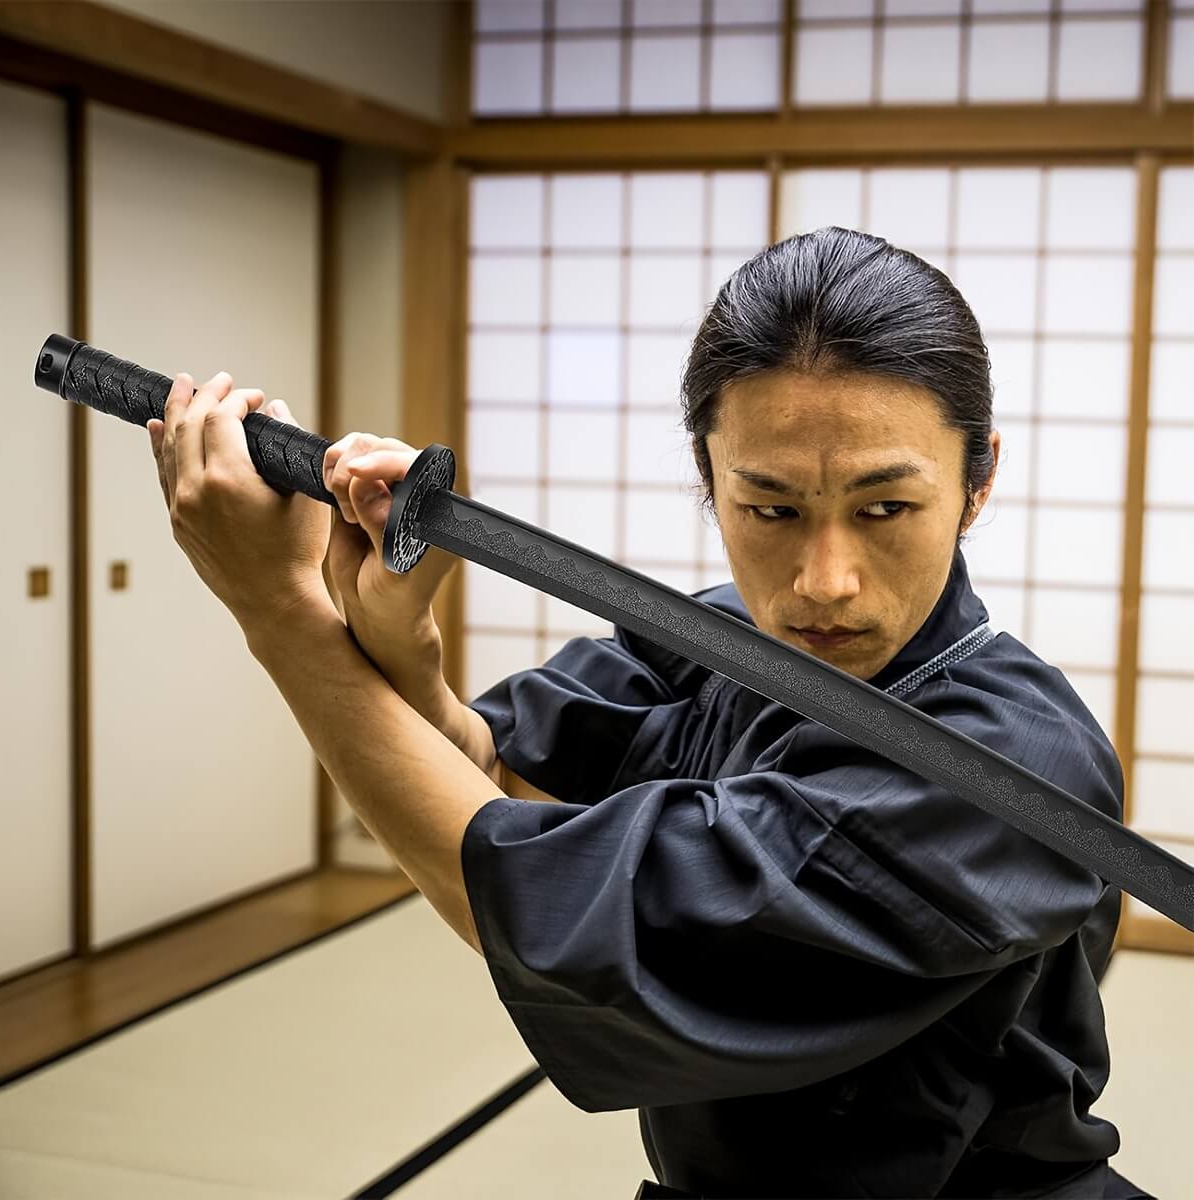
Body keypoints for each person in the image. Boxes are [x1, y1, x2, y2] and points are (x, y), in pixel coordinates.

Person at [146, 227, 1154, 1199]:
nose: (825, 581)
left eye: (885, 508)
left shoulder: (1014, 760)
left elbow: (537, 908)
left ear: (977, 483)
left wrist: (280, 613)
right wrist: (399, 646)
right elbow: (474, 786)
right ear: (710, 482)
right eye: (770, 509)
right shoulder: (706, 643)